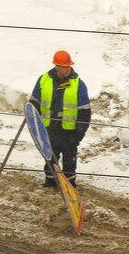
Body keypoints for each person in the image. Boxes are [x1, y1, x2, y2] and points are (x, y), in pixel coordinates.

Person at [29, 50, 91, 188]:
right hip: (49, 129)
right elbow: (34, 104)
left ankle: (70, 184)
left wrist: (79, 134)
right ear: (57, 66)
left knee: (70, 160)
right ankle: (50, 181)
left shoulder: (78, 85)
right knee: (50, 157)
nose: (67, 69)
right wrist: (35, 125)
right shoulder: (43, 80)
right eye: (64, 66)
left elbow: (85, 113)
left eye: (69, 66)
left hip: (69, 132)